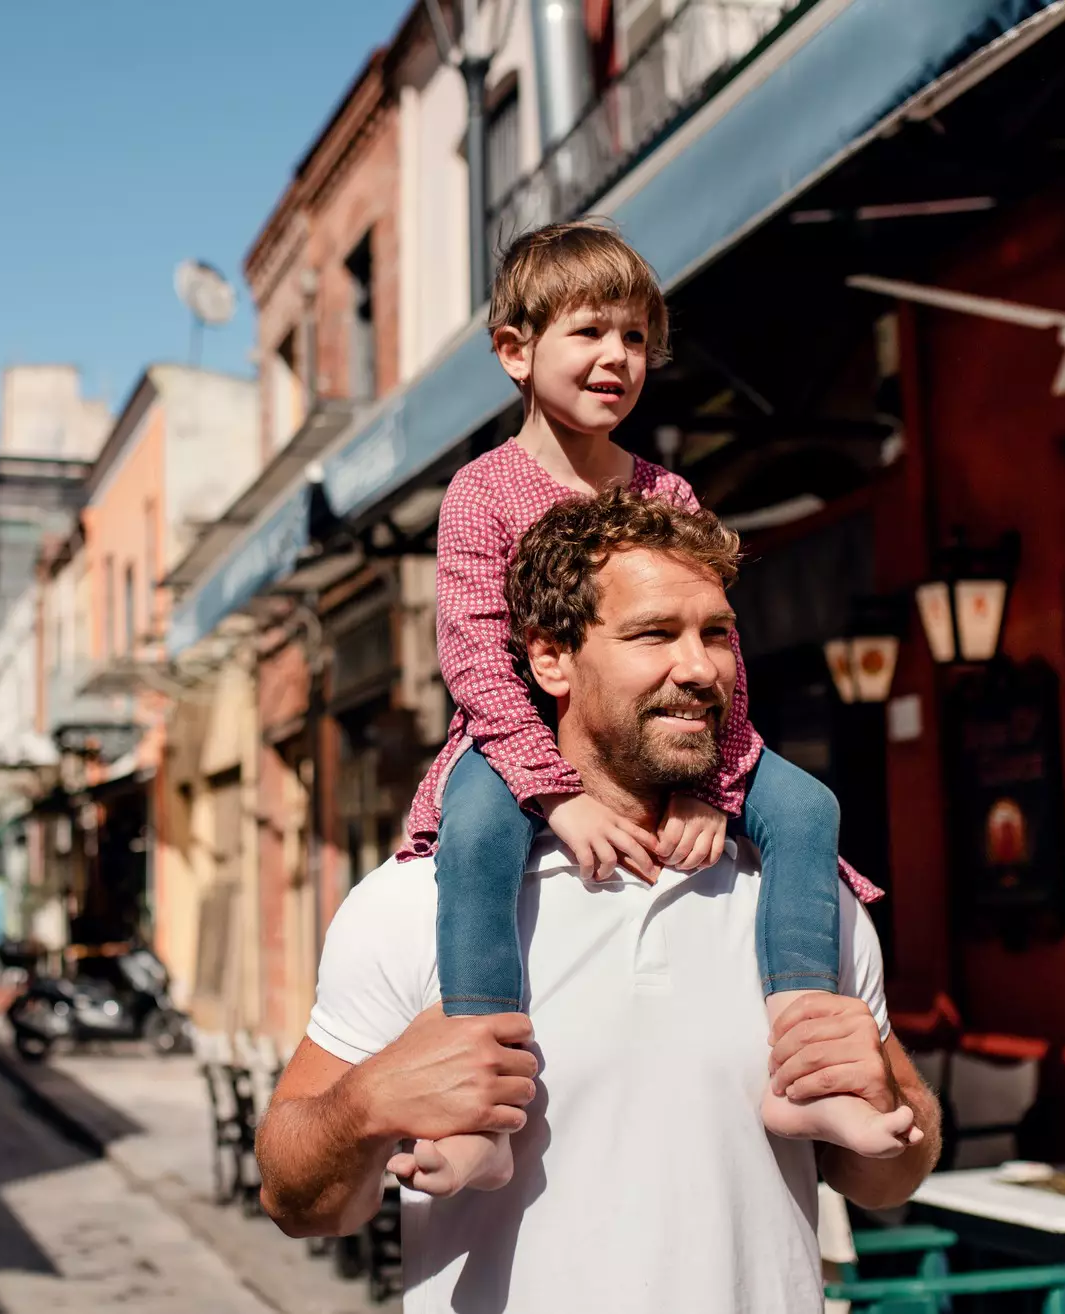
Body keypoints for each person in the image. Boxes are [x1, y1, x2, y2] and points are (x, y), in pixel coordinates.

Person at [256, 489, 940, 1312]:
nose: (699, 668)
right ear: (550, 660)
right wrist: (365, 1105)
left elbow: (891, 1174)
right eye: (654, 634)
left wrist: (890, 1097)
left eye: (716, 634)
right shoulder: (412, 900)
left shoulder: (799, 889)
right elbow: (296, 1201)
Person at [396, 219, 900, 1195]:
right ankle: (479, 1115)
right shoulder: (483, 490)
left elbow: (713, 641)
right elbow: (472, 653)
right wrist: (552, 793)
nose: (615, 358)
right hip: (514, 740)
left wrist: (714, 781)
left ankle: (804, 1066)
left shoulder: (668, 488)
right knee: (474, 841)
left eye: (634, 339)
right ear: (514, 349)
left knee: (804, 809)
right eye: (589, 332)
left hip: (678, 741)